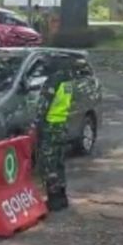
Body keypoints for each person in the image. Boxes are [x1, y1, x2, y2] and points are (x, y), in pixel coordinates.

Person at [32, 58, 73, 212]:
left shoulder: (53, 81)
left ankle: (54, 199)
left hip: (50, 126)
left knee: (49, 165)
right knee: (59, 163)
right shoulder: (67, 81)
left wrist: (36, 124)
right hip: (62, 125)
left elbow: (43, 106)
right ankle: (62, 197)